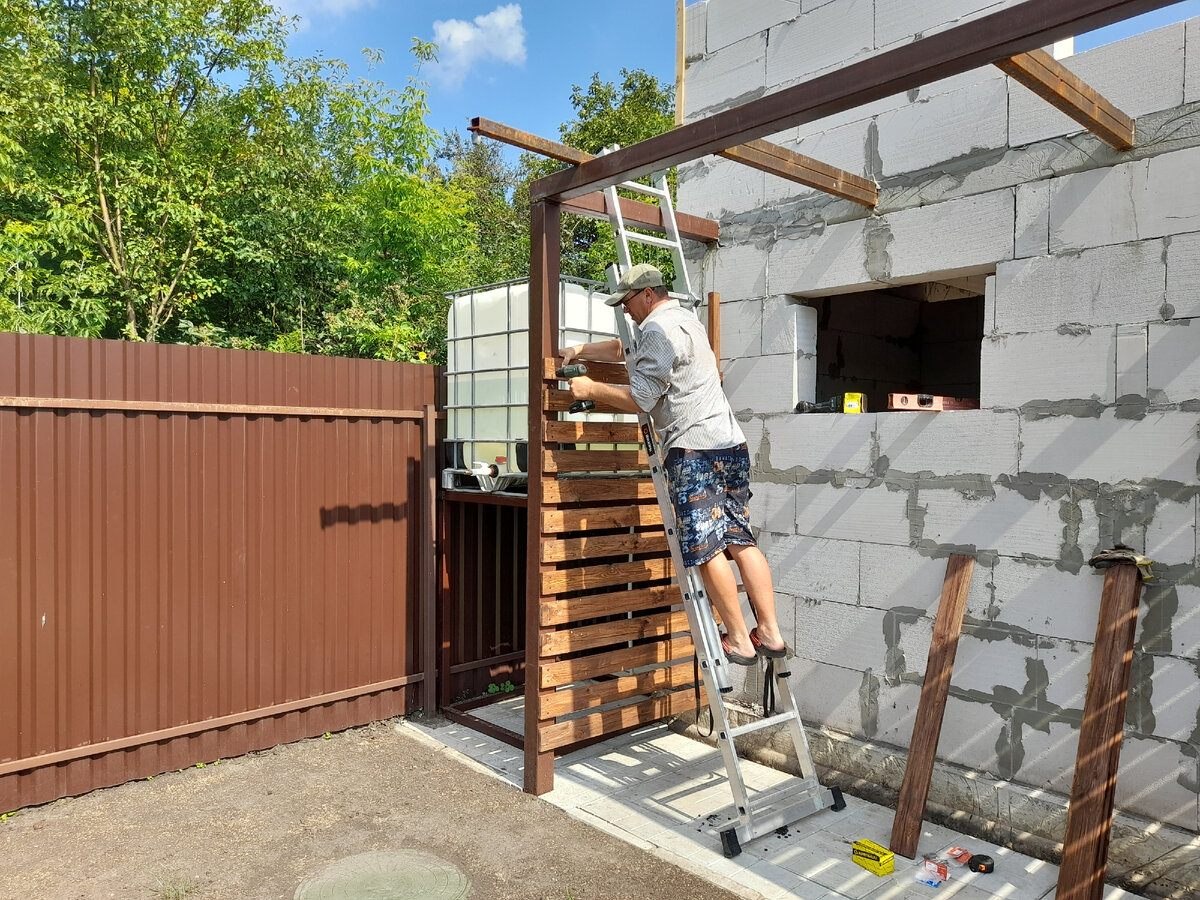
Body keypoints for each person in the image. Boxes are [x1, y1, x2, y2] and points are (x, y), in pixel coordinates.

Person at [560, 263, 787, 665]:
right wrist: (579, 350)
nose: (626, 311)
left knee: (706, 546)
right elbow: (626, 349)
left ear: (648, 294)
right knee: (739, 538)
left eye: (628, 302)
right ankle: (769, 632)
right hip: (730, 444)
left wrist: (591, 387)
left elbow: (640, 400)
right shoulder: (684, 320)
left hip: (694, 450)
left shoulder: (656, 331)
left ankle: (737, 638)